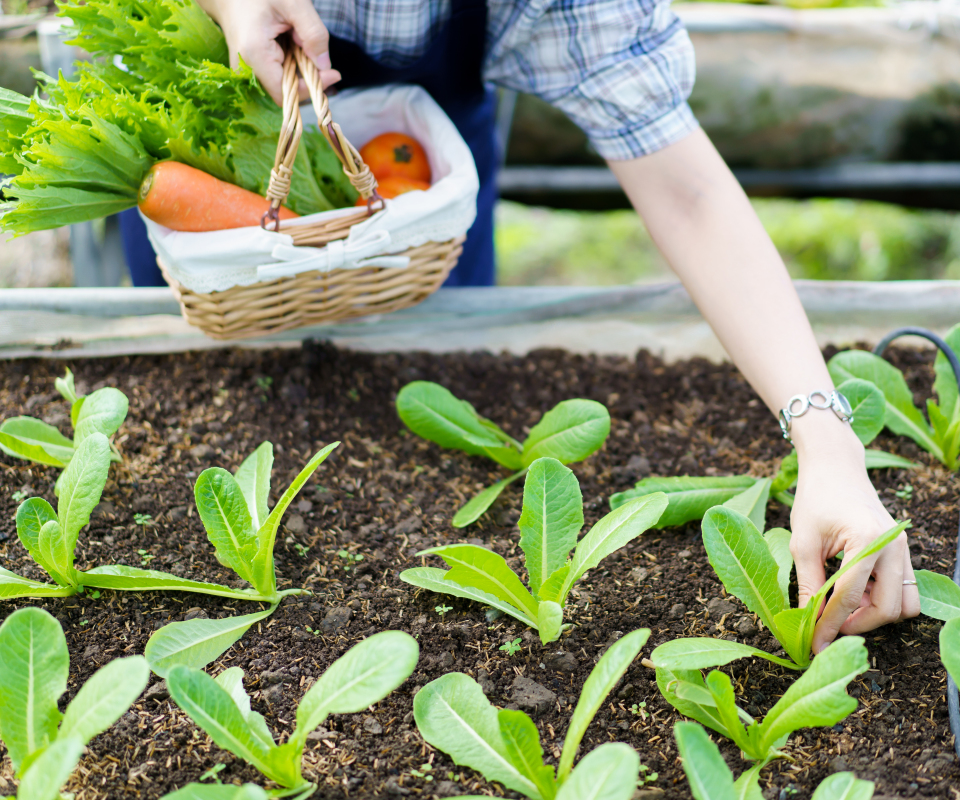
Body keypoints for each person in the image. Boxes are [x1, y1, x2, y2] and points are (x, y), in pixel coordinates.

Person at [186, 0, 919, 653]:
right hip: (219, 167)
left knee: (436, 368)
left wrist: (831, 453)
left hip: (422, 181)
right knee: (228, 391)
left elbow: (688, 193)